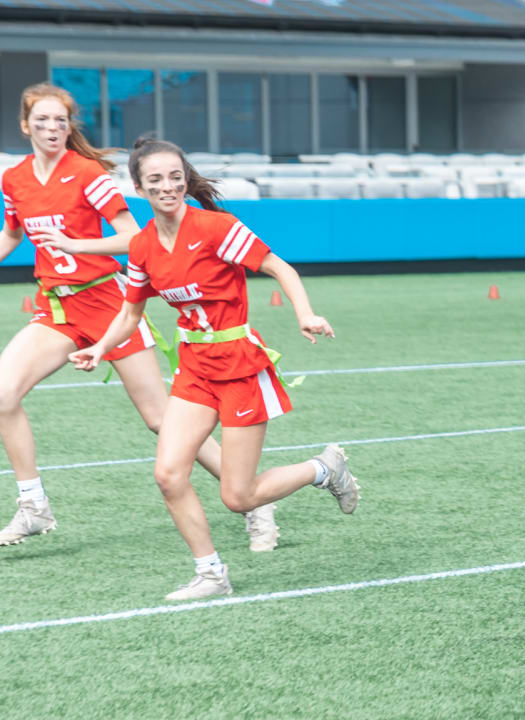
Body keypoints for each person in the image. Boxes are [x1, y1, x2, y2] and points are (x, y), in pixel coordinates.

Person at [68, 137, 361, 601]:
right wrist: (100, 347)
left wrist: (304, 313)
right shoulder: (143, 246)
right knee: (168, 475)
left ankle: (323, 469)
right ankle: (211, 573)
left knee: (238, 497)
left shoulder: (216, 227)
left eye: (175, 177)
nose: (168, 187)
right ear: (140, 189)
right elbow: (129, 314)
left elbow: (280, 268)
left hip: (240, 366)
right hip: (195, 370)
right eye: (156, 180)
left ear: (185, 179)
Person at [0, 82, 278, 551]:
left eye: (61, 121)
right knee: (2, 394)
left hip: (109, 305)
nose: (52, 129)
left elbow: (134, 237)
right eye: (42, 120)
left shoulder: (87, 173)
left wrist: (77, 245)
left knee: (160, 419)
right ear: (25, 125)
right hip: (57, 307)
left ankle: (255, 504)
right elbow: (11, 235)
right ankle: (33, 506)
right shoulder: (14, 179)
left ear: (70, 129)